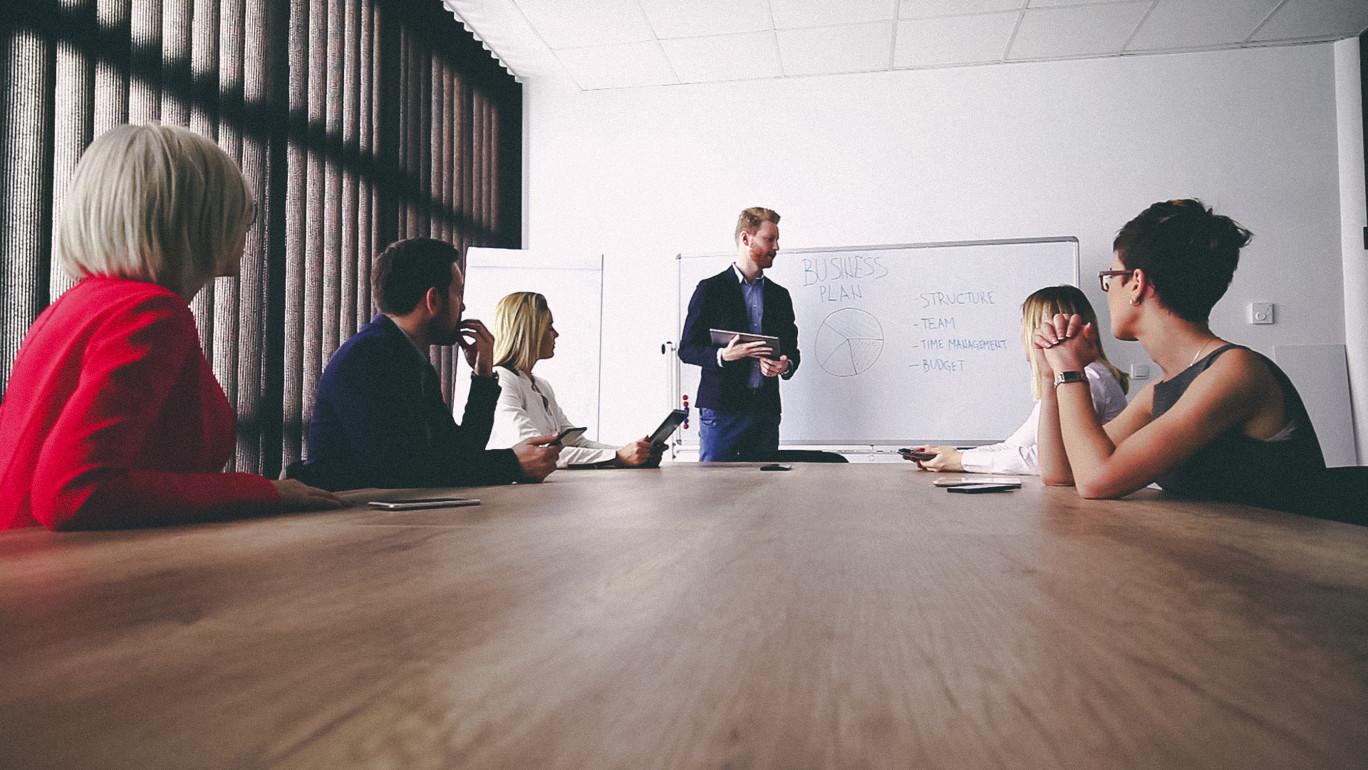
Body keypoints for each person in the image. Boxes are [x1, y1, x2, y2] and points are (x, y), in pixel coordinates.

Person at [0, 123, 346, 530]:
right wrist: (265, 492)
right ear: (197, 217)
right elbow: (73, 493)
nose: (247, 228)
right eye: (239, 211)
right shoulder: (152, 314)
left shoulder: (77, 305)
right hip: (69, 578)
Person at [1032, 199, 1326, 513]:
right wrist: (1051, 377)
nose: (1107, 291)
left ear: (1136, 283)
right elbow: (1060, 473)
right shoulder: (1163, 390)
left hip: (1288, 560)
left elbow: (1095, 480)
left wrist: (1070, 371)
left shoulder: (1237, 371)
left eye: (1110, 277)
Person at [299, 238, 561, 490]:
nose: (463, 305)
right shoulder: (367, 359)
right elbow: (402, 472)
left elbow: (459, 453)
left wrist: (482, 376)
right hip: (352, 523)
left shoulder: (409, 358)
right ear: (433, 300)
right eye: (458, 294)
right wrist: (511, 464)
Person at [909, 285, 1128, 475]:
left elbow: (1047, 462)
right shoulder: (1060, 382)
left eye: (1025, 325)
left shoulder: (1087, 379)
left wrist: (962, 461)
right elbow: (1013, 447)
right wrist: (952, 456)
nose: (1021, 336)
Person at [486, 292, 661, 468]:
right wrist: (618, 457)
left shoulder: (540, 385)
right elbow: (539, 452)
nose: (556, 334)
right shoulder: (501, 380)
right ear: (530, 332)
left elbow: (576, 443)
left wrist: (634, 452)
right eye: (549, 327)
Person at [679, 207, 800, 461]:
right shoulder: (711, 289)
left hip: (765, 412)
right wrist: (724, 355)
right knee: (715, 492)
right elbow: (687, 349)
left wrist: (784, 364)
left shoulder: (780, 296)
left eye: (776, 240)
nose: (777, 247)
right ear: (746, 239)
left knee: (763, 493)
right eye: (770, 239)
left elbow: (792, 350)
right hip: (721, 412)